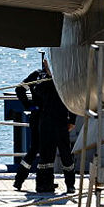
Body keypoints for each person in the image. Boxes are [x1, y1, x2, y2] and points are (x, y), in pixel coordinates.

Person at [27, 58, 77, 194]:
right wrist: (48, 77)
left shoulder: (65, 77)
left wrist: (72, 120)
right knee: (46, 156)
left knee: (66, 155)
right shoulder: (42, 78)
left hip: (61, 121)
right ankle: (44, 184)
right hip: (46, 121)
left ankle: (70, 184)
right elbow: (38, 92)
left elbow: (72, 98)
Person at [12, 61, 45, 190]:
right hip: (39, 116)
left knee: (40, 150)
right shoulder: (37, 76)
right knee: (36, 149)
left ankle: (42, 180)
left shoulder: (42, 76)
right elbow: (20, 88)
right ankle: (20, 179)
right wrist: (29, 105)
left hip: (45, 116)